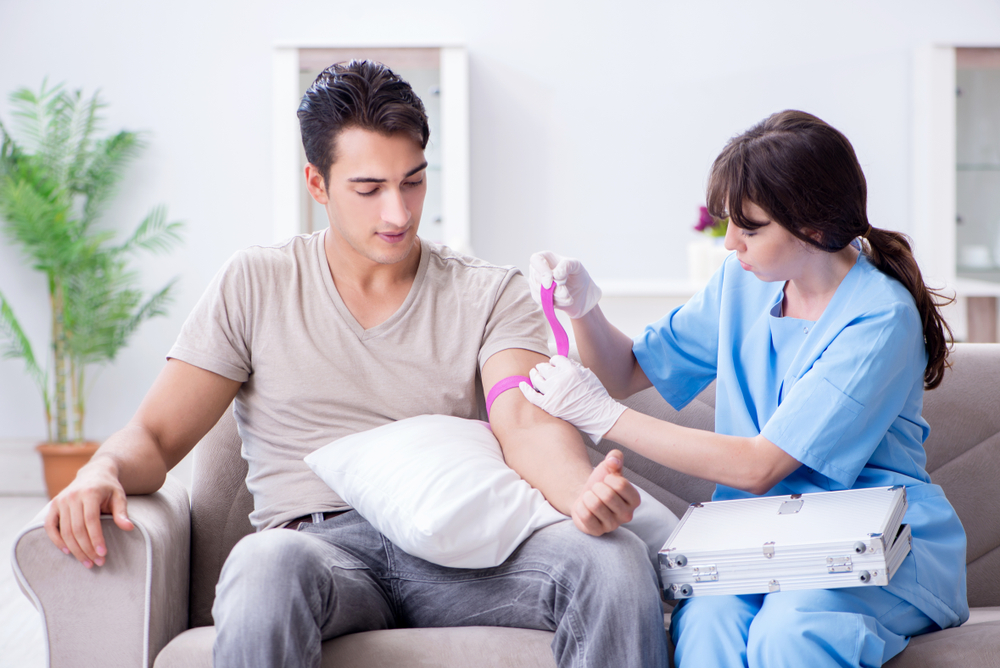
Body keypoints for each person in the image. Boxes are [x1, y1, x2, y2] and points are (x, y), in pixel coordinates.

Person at [42, 60, 670, 668]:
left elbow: (526, 423)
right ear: (317, 183)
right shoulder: (256, 282)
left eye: (413, 182)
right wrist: (102, 469)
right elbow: (156, 436)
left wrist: (577, 491)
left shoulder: (490, 292)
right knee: (264, 564)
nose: (397, 213)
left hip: (464, 553)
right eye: (368, 189)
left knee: (611, 562)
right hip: (320, 552)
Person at [522, 110, 969, 667]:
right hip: (756, 537)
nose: (730, 241)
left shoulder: (880, 318)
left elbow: (760, 466)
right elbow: (628, 371)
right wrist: (585, 310)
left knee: (790, 631)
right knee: (707, 622)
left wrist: (600, 415)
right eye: (729, 221)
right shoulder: (742, 283)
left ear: (812, 227)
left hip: (876, 541)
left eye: (749, 227)